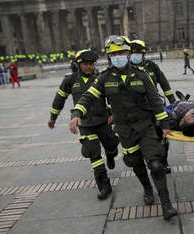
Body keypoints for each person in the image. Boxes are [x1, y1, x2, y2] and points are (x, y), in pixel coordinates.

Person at [69, 36, 178, 220]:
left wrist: (165, 125)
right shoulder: (104, 77)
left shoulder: (142, 74)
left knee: (156, 165)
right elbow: (88, 97)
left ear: (128, 54)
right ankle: (147, 189)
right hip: (125, 131)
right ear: (109, 56)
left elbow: (155, 101)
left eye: (122, 52)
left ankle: (166, 204)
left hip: (145, 127)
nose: (118, 56)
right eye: (114, 54)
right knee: (136, 164)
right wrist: (77, 113)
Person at [49, 50, 119, 200]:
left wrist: (113, 112)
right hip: (85, 123)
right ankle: (104, 185)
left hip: (103, 121)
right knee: (93, 153)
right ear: (78, 65)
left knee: (112, 144)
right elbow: (59, 98)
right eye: (85, 64)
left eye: (91, 64)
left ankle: (111, 154)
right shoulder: (70, 80)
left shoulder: (100, 78)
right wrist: (53, 117)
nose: (89, 67)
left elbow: (112, 97)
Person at [130, 40, 176, 173]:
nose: (135, 55)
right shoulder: (128, 69)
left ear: (143, 53)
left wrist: (173, 101)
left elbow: (164, 83)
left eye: (138, 53)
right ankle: (152, 160)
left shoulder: (152, 66)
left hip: (156, 106)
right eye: (132, 53)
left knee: (163, 135)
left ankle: (164, 161)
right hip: (138, 110)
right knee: (146, 137)